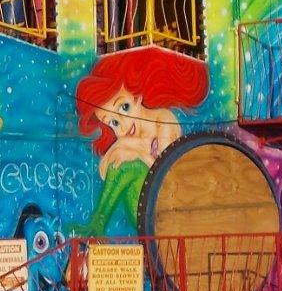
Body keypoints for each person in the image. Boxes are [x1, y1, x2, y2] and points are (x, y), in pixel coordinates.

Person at [74, 48, 209, 236]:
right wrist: (125, 147)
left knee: (133, 166)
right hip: (140, 209)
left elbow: (167, 175)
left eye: (124, 107)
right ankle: (97, 224)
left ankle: (97, 224)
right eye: (112, 123)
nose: (122, 126)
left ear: (136, 95)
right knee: (125, 164)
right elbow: (106, 168)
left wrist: (136, 152)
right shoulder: (127, 138)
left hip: (166, 207)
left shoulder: (163, 121)